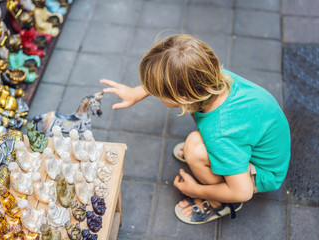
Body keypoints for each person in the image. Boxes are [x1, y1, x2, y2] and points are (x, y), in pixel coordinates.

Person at [100, 34, 290, 224]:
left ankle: (219, 202)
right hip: (257, 143)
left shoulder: (219, 132)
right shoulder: (212, 77)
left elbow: (243, 192)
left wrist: (196, 190)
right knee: (204, 140)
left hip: (264, 173)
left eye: (159, 93)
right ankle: (216, 162)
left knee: (194, 147)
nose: (155, 95)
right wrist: (136, 92)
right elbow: (177, 76)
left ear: (183, 97)